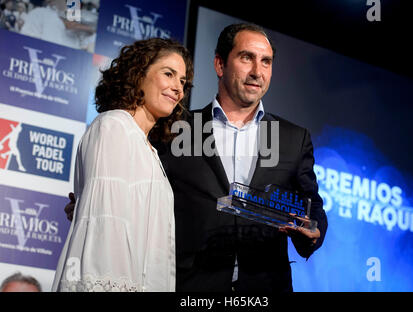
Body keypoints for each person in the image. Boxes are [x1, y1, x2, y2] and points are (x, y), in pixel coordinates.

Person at [66, 23, 327, 292]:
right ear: (219, 64)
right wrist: (96, 203)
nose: (257, 72)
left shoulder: (294, 139)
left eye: (266, 61)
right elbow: (138, 189)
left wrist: (312, 233)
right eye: (246, 57)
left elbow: (313, 209)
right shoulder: (174, 129)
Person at [53, 37, 193, 292]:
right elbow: (106, 228)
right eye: (169, 74)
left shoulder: (147, 147)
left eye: (182, 81)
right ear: (139, 74)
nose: (178, 88)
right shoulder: (114, 127)